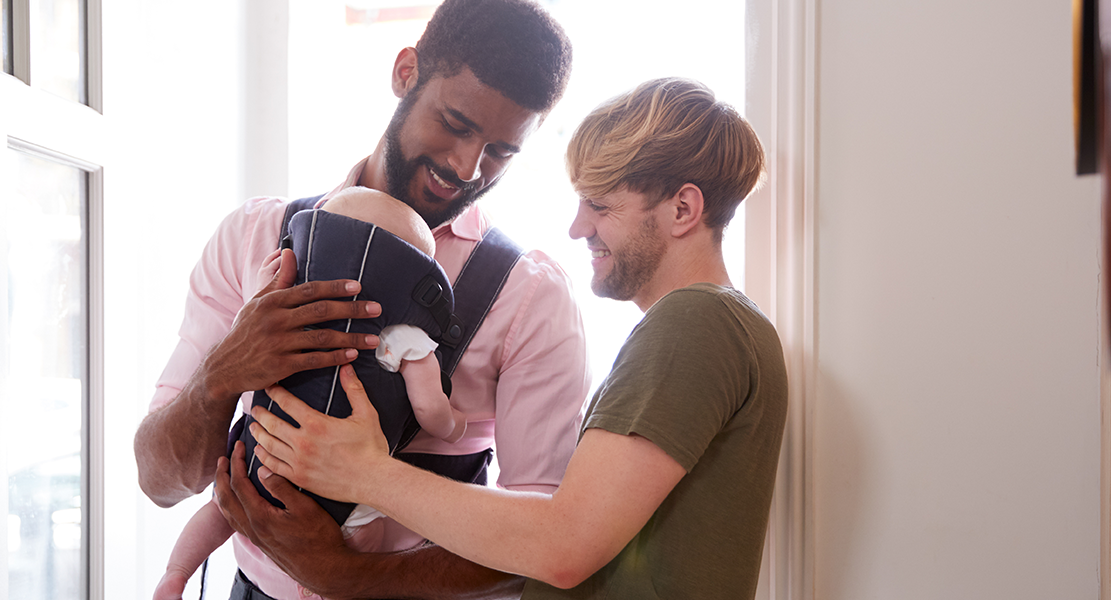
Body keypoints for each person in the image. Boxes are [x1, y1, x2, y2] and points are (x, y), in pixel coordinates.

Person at [236, 78, 789, 599]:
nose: (578, 228)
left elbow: (563, 545)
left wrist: (366, 474)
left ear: (683, 209)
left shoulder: (695, 324)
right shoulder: (715, 327)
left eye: (600, 205)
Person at [133, 1, 589, 598]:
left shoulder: (531, 297)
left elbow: (543, 541)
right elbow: (160, 479)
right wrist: (222, 375)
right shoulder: (253, 238)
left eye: (501, 151)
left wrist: (353, 577)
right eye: (455, 122)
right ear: (406, 72)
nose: (466, 166)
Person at [153, 186, 466, 600]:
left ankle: (176, 572)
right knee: (362, 536)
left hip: (259, 453)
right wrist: (455, 425)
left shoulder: (278, 304)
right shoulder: (405, 337)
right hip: (340, 491)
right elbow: (430, 409)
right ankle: (314, 586)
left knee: (221, 509)